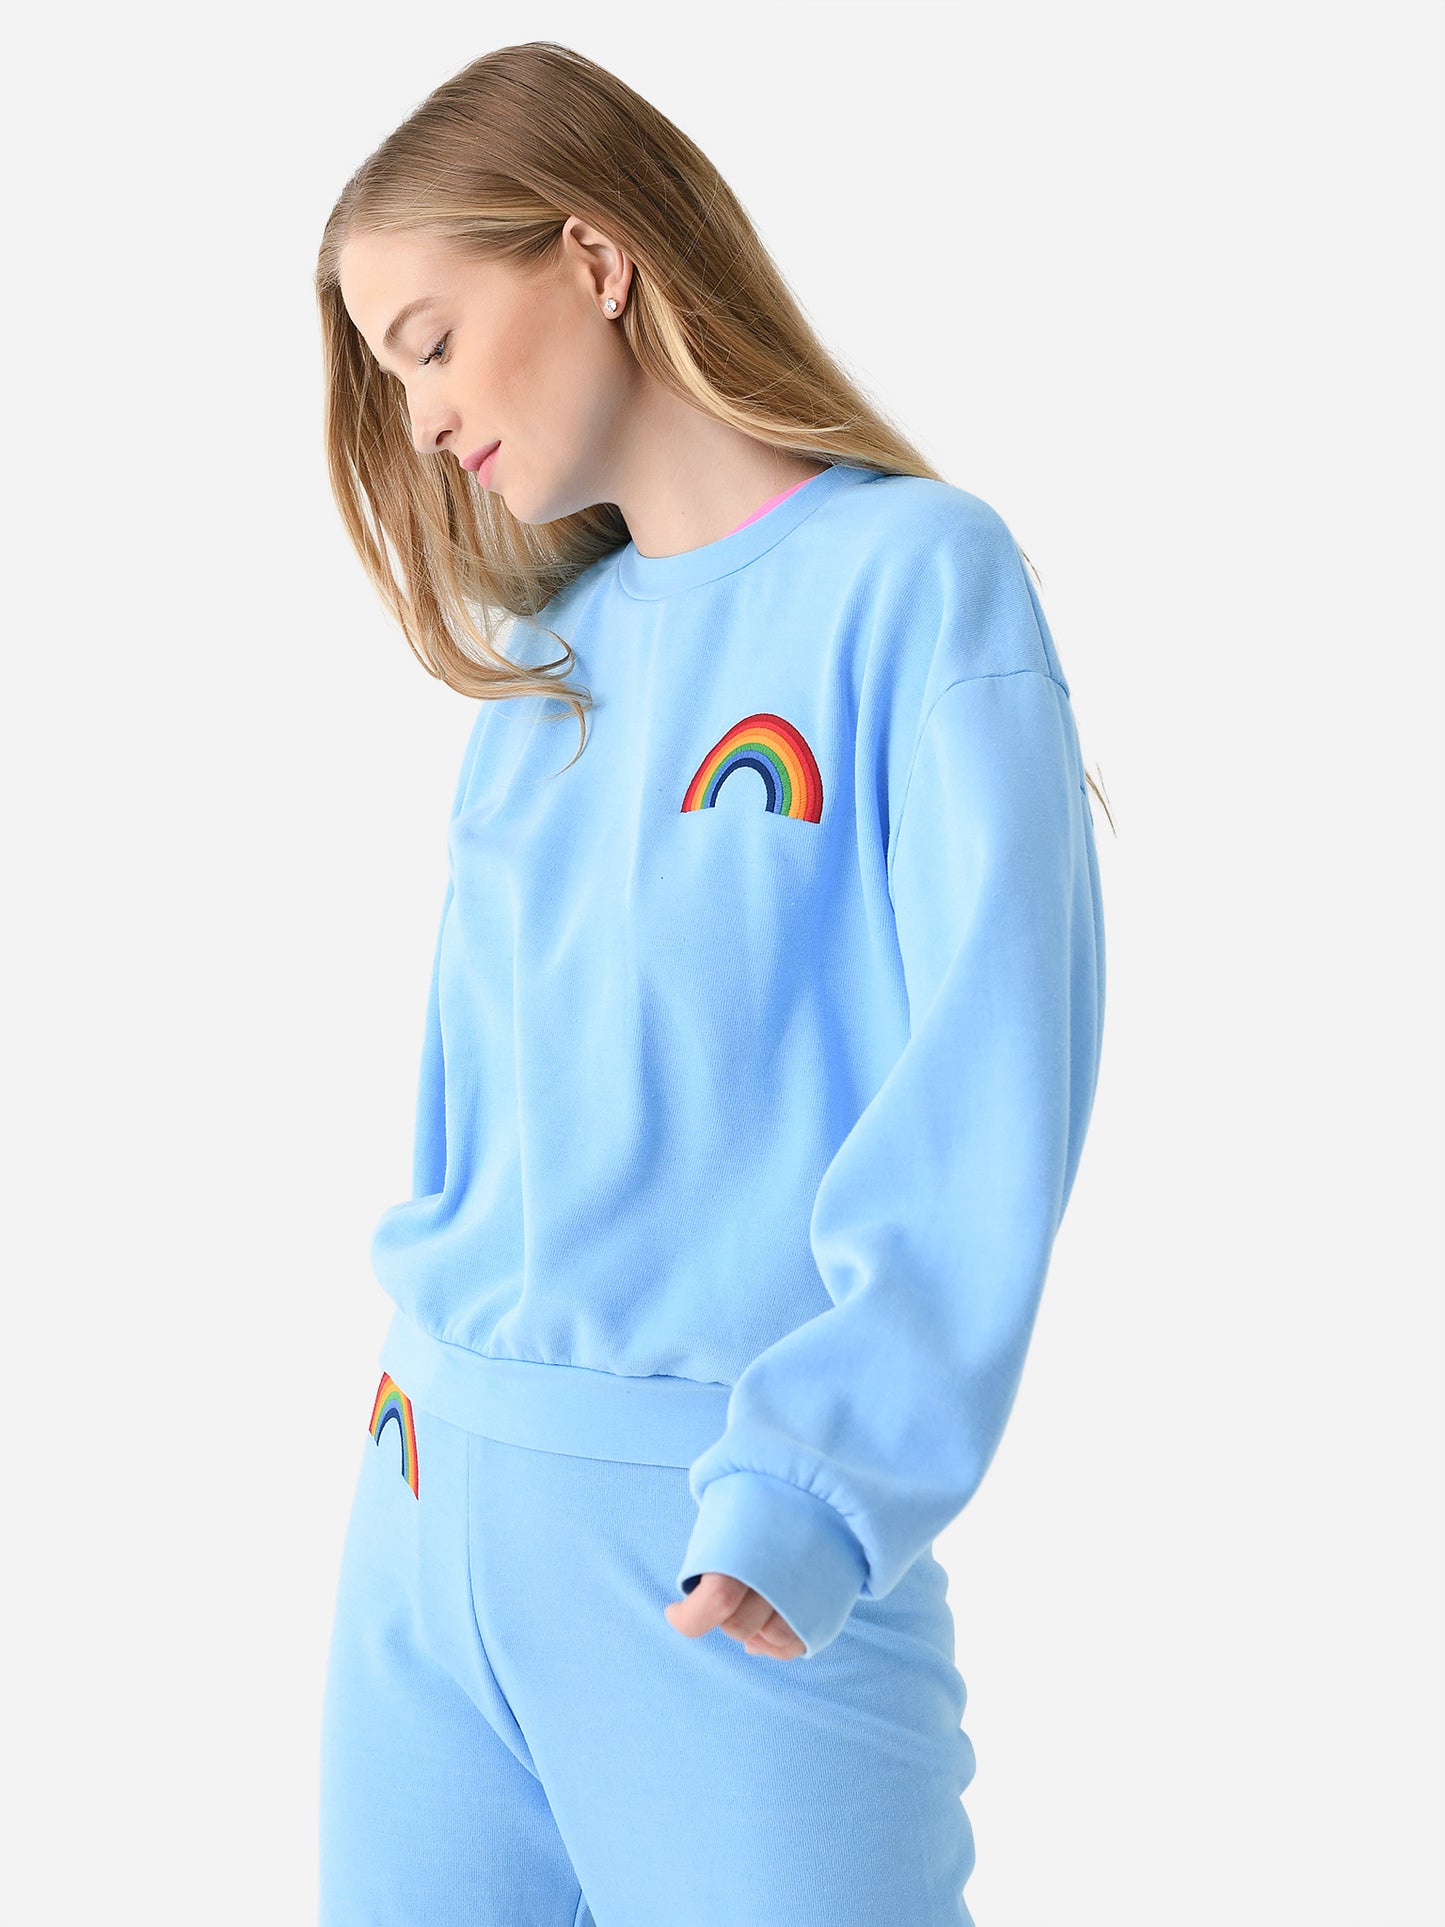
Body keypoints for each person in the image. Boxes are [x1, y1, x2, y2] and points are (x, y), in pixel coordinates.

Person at [314, 38, 1107, 1927]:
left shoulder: (914, 582)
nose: (418, 418)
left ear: (593, 255)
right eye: (388, 375)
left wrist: (816, 1492)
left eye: (430, 342)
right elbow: (468, 1129)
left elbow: (989, 1077)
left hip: (719, 1545)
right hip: (423, 1511)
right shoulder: (545, 678)